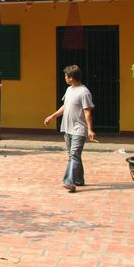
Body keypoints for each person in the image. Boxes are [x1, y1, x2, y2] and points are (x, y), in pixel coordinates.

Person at [43, 64, 98, 193]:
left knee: (74, 154)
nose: (65, 78)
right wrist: (52, 116)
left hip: (79, 129)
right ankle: (79, 179)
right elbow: (65, 106)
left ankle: (69, 181)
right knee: (73, 155)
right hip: (68, 128)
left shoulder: (84, 92)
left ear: (71, 77)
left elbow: (87, 112)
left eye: (66, 76)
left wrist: (90, 129)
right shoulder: (69, 90)